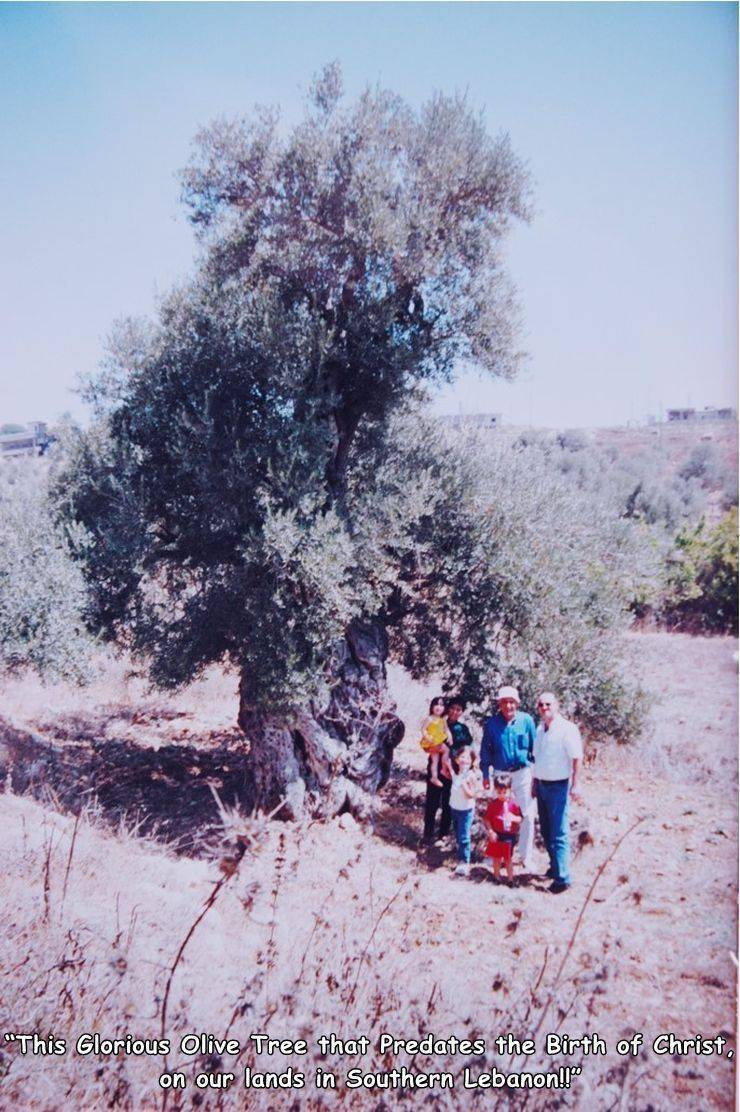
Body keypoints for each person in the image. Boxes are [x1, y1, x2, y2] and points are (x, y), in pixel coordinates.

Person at [479, 685, 536, 871]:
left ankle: (526, 857)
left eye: (512, 702)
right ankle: (495, 854)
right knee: (496, 815)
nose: (508, 706)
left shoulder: (526, 721)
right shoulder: (492, 724)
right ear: (499, 704)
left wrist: (537, 776)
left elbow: (535, 749)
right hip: (501, 774)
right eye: (504, 702)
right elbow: (485, 751)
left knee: (526, 814)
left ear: (517, 703)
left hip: (522, 773)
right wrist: (486, 775)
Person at [532, 691, 583, 894]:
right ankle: (555, 867)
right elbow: (538, 758)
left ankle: (563, 878)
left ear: (557, 705)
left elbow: (576, 757)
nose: (545, 708)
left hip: (558, 786)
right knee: (546, 830)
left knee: (559, 831)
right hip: (542, 784)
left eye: (548, 704)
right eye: (541, 705)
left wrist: (576, 784)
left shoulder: (567, 729)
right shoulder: (540, 730)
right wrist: (535, 782)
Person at [422, 696, 474, 845]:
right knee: (432, 802)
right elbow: (426, 743)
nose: (454, 712)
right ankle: (427, 834)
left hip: (454, 772)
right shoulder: (437, 722)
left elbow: (467, 749)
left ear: (462, 712)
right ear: (447, 709)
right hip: (436, 768)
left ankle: (443, 835)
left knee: (448, 803)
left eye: (458, 710)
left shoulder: (463, 729)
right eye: (452, 708)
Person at [482, 773, 523, 884]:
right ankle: (497, 877)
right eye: (499, 792)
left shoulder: (513, 804)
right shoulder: (493, 804)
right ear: (495, 790)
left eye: (505, 792)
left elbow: (520, 819)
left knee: (508, 859)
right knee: (496, 858)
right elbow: (487, 819)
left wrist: (513, 818)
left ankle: (510, 879)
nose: (502, 795)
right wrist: (490, 831)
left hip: (509, 836)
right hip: (497, 834)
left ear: (509, 790)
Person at [449, 747, 482, 876]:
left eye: (468, 758)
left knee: (464, 836)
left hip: (465, 811)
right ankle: (460, 854)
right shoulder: (457, 774)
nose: (464, 760)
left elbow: (473, 794)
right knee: (457, 833)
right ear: (457, 760)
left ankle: (464, 862)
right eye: (461, 757)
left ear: (472, 761)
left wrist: (465, 786)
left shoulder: (470, 776)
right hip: (455, 808)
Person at [419, 696, 452, 788]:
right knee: (446, 751)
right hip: (432, 741)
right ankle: (444, 770)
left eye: (441, 705)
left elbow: (447, 729)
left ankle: (434, 777)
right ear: (432, 707)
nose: (438, 707)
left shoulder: (442, 720)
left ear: (444, 708)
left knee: (435, 761)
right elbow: (423, 729)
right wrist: (427, 737)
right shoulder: (430, 718)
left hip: (438, 740)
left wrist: (450, 737)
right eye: (436, 704)